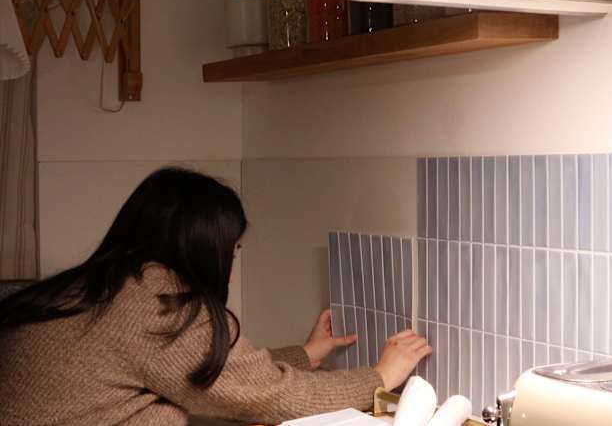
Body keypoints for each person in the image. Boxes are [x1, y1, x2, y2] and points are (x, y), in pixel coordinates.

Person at [0, 167, 431, 425]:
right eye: (234, 248)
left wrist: (305, 354)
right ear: (208, 247)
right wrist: (379, 377)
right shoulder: (158, 304)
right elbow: (266, 395)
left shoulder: (106, 284)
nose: (234, 259)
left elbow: (207, 376)